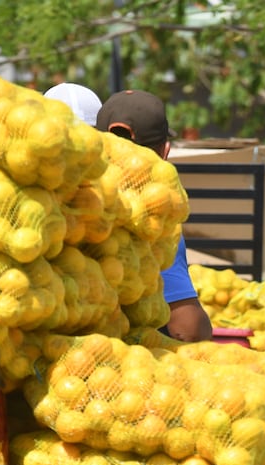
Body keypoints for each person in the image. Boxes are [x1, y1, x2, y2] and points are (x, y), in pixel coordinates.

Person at [96, 89, 214, 342]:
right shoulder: (154, 219)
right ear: (165, 151)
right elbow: (186, 329)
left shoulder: (77, 201)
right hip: (122, 358)